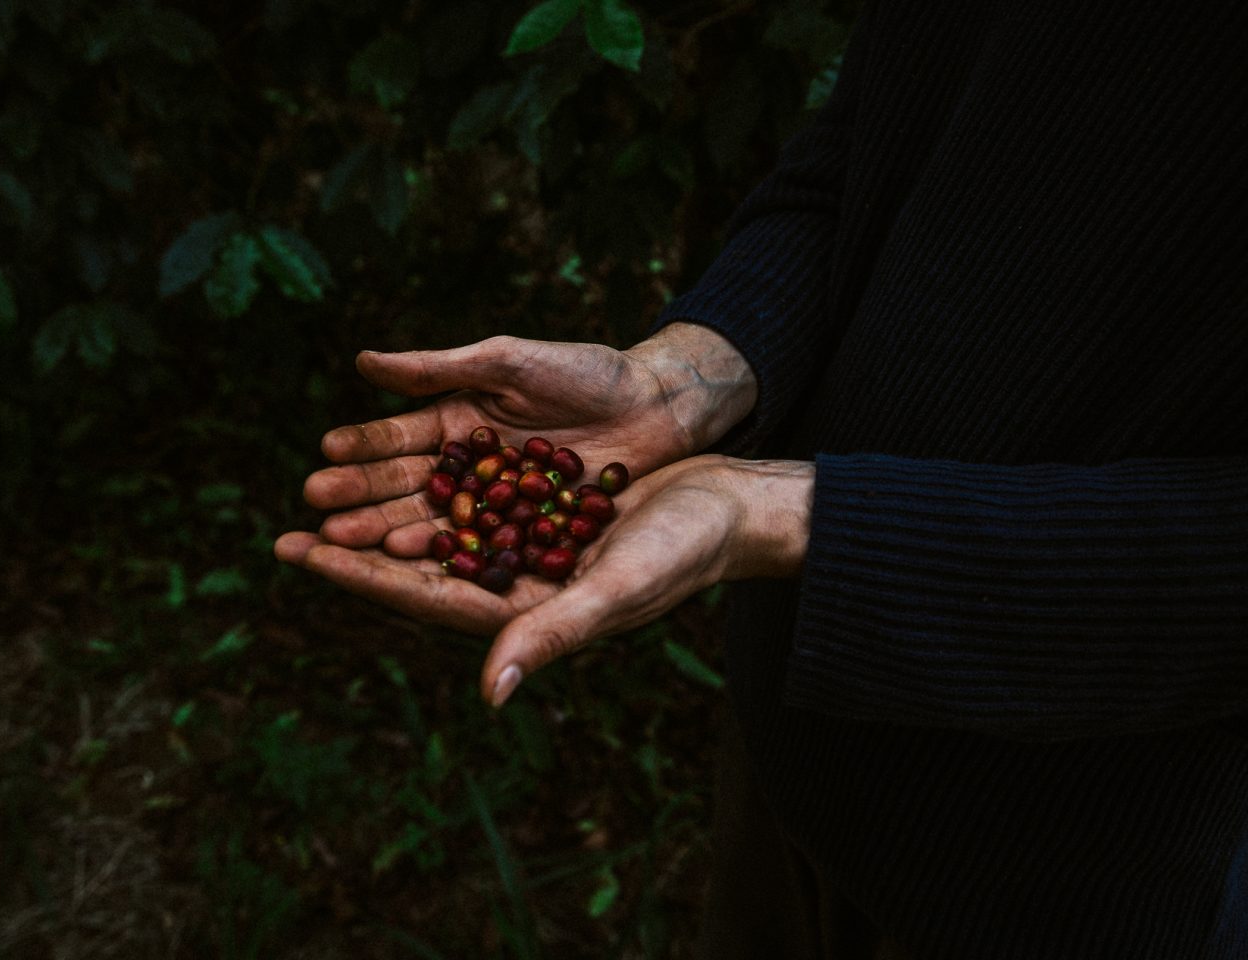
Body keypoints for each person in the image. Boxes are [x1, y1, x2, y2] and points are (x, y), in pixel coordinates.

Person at [277, 1, 1248, 956]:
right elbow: (865, 155)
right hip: (800, 740)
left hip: (1087, 869)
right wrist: (691, 373)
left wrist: (791, 518)